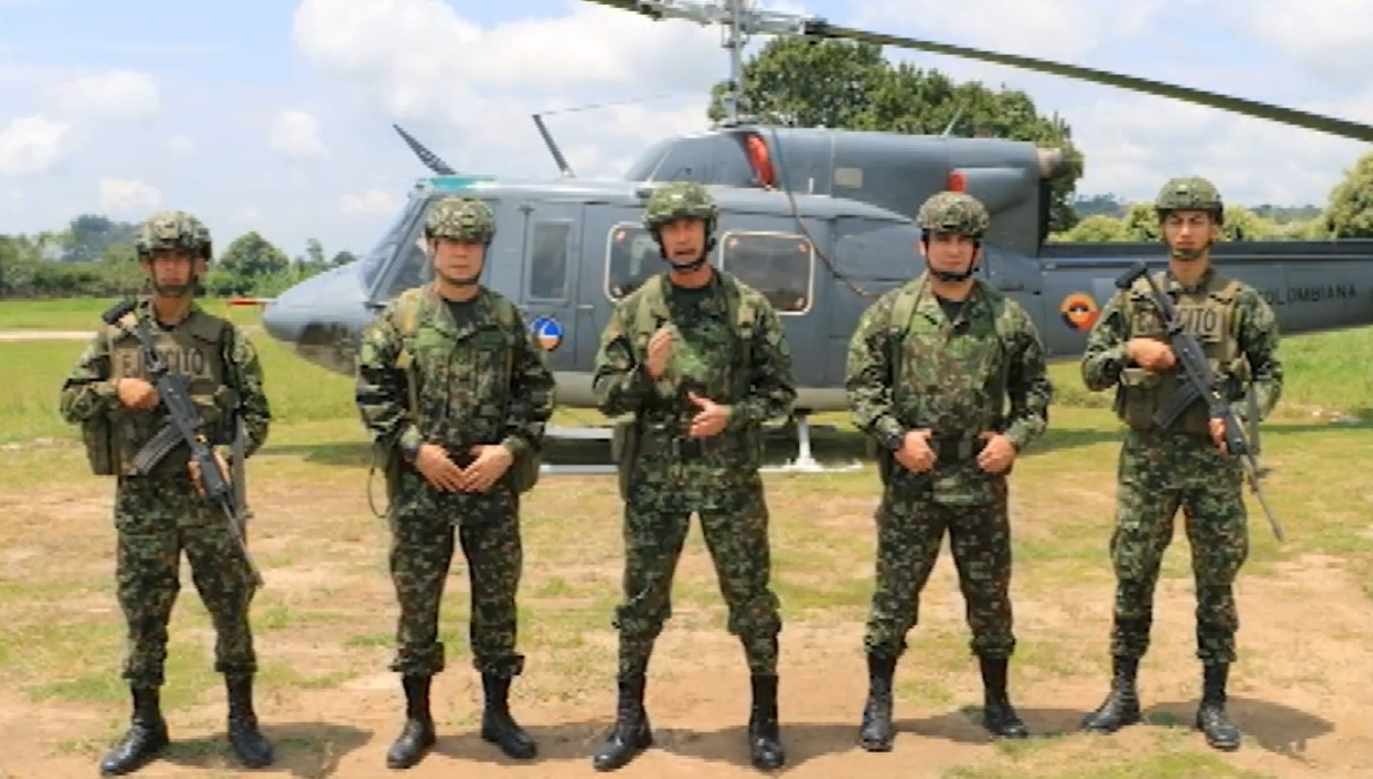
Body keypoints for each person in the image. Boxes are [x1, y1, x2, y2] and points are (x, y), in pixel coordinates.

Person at [589, 181, 797, 772]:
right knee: (640, 602)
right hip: (657, 482)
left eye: (691, 226)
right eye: (671, 228)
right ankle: (630, 718)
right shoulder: (635, 312)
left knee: (751, 599)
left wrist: (734, 415)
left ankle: (764, 719)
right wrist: (645, 375)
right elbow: (605, 394)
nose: (682, 237)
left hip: (729, 481)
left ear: (709, 232)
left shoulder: (748, 308)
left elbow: (780, 393)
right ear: (659, 238)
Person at [58, 210, 274, 775]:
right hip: (142, 501)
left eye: (182, 256)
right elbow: (70, 400)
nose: (172, 266)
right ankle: (146, 723)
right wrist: (115, 388)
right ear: (147, 265)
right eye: (161, 257)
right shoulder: (116, 335)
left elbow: (257, 415)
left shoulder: (224, 338)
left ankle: (242, 721)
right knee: (144, 612)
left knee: (231, 607)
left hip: (207, 501)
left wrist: (227, 457)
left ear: (199, 265)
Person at [1079, 176, 1283, 751]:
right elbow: (1091, 368)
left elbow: (1269, 374)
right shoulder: (1134, 299)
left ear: (1215, 227)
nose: (1185, 230)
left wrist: (1241, 415)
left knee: (1216, 581)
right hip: (1147, 459)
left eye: (1196, 220)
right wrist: (1130, 352)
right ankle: (1122, 690)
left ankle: (1214, 700)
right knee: (1133, 573)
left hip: (1214, 465)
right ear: (1163, 228)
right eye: (1175, 220)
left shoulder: (1241, 302)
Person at [844, 191, 1053, 750]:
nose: (954, 250)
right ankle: (879, 703)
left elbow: (1035, 394)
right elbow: (862, 391)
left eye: (964, 241)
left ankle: (998, 701)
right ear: (924, 245)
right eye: (944, 239)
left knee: (989, 597)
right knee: (894, 596)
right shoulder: (891, 315)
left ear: (977, 250)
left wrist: (1013, 440)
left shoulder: (1007, 318)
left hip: (981, 481)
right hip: (915, 480)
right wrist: (895, 438)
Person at [354, 195, 556, 769]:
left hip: (491, 485)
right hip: (424, 487)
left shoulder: (506, 318)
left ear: (483, 251)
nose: (461, 252)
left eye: (471, 244)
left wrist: (509, 450)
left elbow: (536, 393)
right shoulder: (402, 318)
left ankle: (497, 714)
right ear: (432, 248)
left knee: (496, 601)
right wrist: (416, 451)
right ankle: (418, 719)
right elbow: (373, 393)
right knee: (417, 603)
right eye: (451, 242)